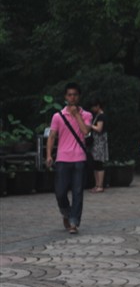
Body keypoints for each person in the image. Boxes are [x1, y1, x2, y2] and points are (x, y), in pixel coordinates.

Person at [45, 82, 93, 235]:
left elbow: (86, 131)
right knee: (60, 192)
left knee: (78, 191)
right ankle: (66, 213)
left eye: (75, 95)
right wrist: (48, 155)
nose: (72, 97)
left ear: (79, 97)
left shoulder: (87, 115)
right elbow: (52, 136)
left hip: (79, 157)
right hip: (62, 158)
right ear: (65, 97)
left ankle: (74, 221)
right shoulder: (57, 116)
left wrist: (77, 115)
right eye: (69, 95)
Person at [89, 99, 108, 193]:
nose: (92, 109)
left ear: (98, 106)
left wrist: (90, 125)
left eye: (93, 106)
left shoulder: (101, 116)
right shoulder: (97, 116)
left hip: (100, 142)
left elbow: (99, 129)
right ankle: (97, 185)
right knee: (96, 164)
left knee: (99, 164)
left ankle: (100, 185)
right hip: (96, 142)